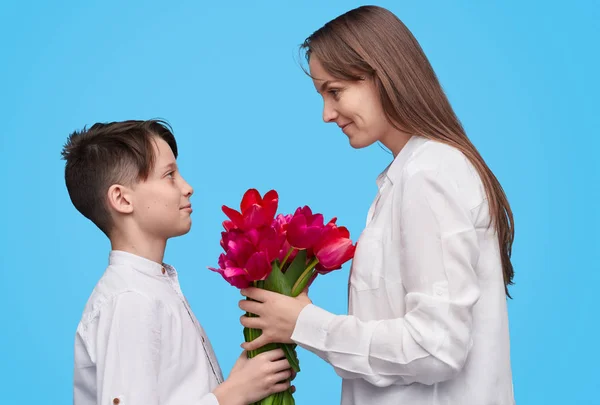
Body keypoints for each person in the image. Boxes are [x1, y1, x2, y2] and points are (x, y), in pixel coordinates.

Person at [238, 5, 515, 405]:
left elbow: (437, 346)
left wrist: (305, 324)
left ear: (382, 75)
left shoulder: (428, 175)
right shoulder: (411, 175)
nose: (327, 114)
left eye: (334, 91)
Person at [63, 120, 293, 405]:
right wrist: (230, 396)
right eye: (169, 175)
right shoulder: (129, 300)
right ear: (122, 199)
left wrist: (239, 383)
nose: (188, 187)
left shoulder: (151, 286)